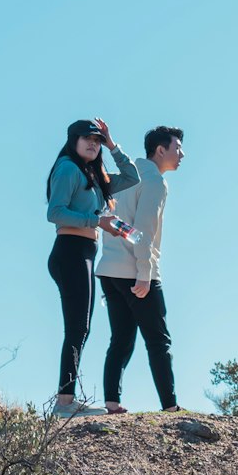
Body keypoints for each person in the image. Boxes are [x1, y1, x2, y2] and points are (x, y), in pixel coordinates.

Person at [46, 118, 140, 416]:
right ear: (72, 140)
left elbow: (132, 176)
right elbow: (55, 212)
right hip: (70, 250)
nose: (93, 144)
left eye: (97, 140)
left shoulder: (94, 174)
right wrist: (96, 222)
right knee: (77, 327)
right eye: (87, 138)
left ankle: (67, 397)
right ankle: (64, 401)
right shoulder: (67, 168)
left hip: (86, 251)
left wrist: (113, 145)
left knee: (82, 328)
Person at [96, 125, 184, 413]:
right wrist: (145, 273)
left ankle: (112, 402)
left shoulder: (127, 175)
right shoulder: (155, 182)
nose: (181, 154)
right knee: (159, 341)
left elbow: (115, 219)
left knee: (120, 339)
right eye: (177, 147)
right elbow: (143, 231)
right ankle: (170, 407)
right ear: (161, 150)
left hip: (108, 270)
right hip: (135, 272)